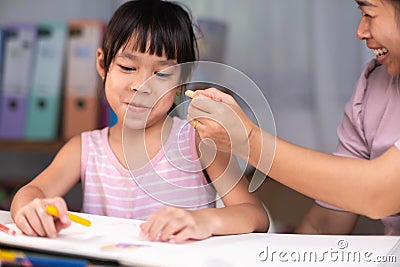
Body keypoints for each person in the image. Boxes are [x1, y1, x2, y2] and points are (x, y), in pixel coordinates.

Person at [10, 0, 269, 243]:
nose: (141, 86)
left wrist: (202, 220)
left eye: (162, 74)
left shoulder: (200, 141)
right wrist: (32, 208)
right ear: (103, 64)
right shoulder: (84, 149)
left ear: (182, 82)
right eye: (127, 67)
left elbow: (255, 216)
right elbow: (30, 193)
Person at [187, 0, 400, 235]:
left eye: (370, 14)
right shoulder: (372, 87)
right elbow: (325, 224)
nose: (360, 31)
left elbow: (377, 192)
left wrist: (247, 140)